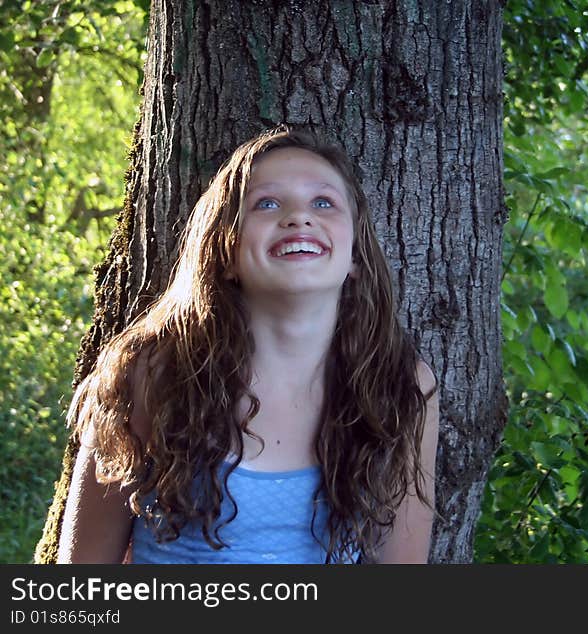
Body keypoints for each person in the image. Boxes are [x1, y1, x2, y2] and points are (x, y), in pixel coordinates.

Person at [57, 125, 440, 564]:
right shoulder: (154, 373)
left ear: (355, 255)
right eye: (267, 203)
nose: (299, 216)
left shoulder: (402, 386)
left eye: (323, 202)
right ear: (226, 251)